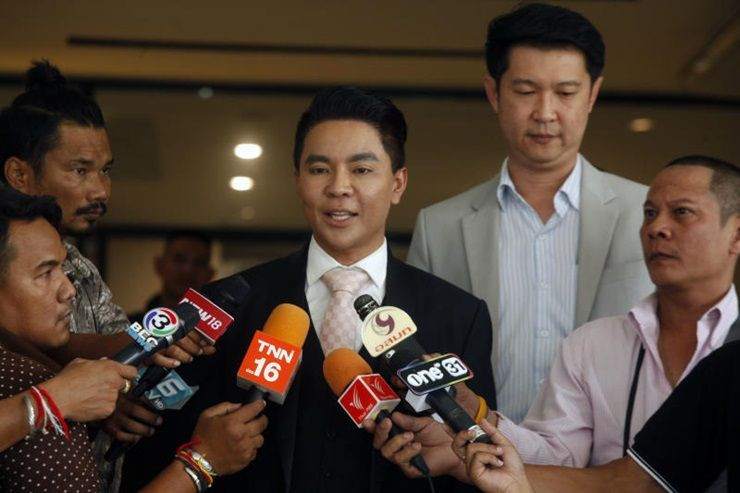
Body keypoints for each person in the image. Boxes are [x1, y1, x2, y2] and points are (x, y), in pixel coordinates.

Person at [121, 86, 496, 493]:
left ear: (398, 184)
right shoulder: (225, 305)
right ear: (297, 180)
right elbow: (157, 444)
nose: (339, 187)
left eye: (362, 170)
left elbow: (478, 467)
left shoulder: (460, 315)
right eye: (319, 170)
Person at [388, 156, 740, 491]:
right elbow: (570, 463)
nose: (656, 228)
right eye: (649, 213)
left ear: (736, 234)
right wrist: (476, 420)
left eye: (682, 212)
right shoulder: (592, 344)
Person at [406, 2, 653, 421]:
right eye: (525, 91)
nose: (545, 113)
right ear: (494, 93)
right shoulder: (439, 228)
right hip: (478, 451)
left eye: (566, 93)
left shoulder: (646, 214)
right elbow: (418, 363)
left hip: (611, 456)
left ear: (592, 95)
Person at [0, 60, 209, 489]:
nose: (100, 190)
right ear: (19, 174)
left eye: (106, 170)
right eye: (80, 170)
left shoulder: (82, 268)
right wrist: (62, 394)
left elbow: (111, 358)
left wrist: (116, 393)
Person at [0, 187, 268, 492]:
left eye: (63, 270)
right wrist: (200, 463)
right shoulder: (23, 381)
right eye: (45, 273)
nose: (70, 290)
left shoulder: (44, 375)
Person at [130, 230, 215, 323]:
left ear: (209, 274)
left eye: (199, 262)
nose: (188, 269)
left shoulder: (222, 331)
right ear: (159, 265)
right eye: (179, 259)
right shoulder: (129, 326)